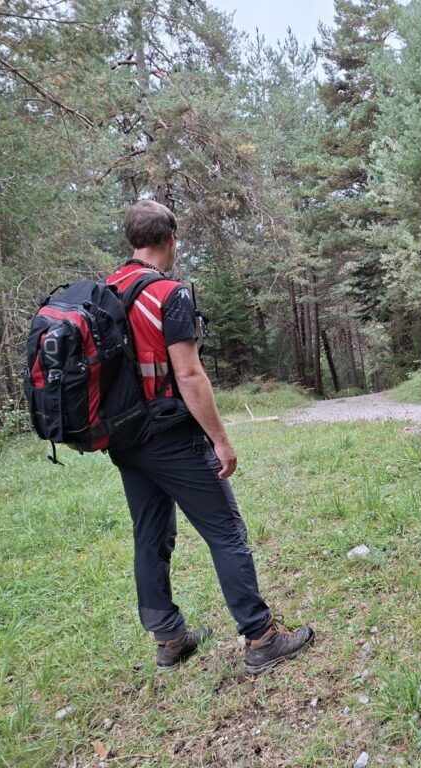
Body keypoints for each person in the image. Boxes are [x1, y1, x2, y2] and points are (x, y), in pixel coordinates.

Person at [105, 200, 314, 673]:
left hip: (125, 439)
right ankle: (261, 637)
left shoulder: (107, 292)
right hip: (171, 435)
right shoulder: (168, 293)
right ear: (170, 239)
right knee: (226, 531)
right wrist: (220, 439)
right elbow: (188, 373)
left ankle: (169, 639)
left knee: (150, 535)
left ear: (133, 239)